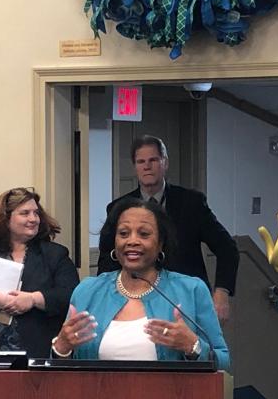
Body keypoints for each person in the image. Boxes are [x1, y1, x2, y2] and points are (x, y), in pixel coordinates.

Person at [52, 197, 229, 368]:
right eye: (123, 233)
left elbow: (223, 361)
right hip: (96, 397)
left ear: (160, 243)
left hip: (171, 398)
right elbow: (60, 368)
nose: (132, 241)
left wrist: (194, 347)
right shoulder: (87, 290)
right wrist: (61, 349)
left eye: (144, 234)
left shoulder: (191, 290)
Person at [96, 135, 239, 322]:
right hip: (135, 301)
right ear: (135, 167)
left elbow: (227, 248)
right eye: (141, 162)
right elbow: (107, 259)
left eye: (153, 160)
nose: (147, 166)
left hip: (186, 301)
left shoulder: (191, 202)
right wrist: (106, 297)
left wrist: (221, 293)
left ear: (165, 163)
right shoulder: (119, 208)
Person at [0, 188, 79, 358]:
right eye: (25, 213)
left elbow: (69, 295)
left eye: (36, 213)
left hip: (37, 349)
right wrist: (6, 300)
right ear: (6, 218)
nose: (33, 219)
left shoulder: (55, 254)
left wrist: (32, 299)